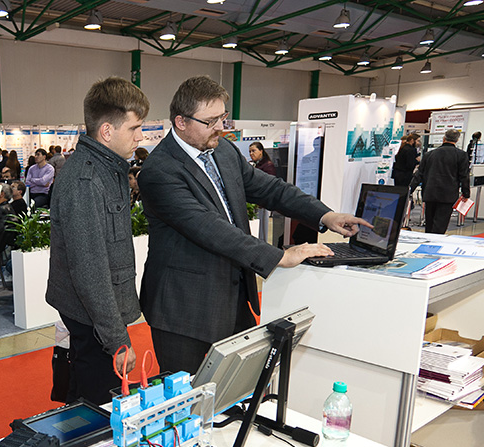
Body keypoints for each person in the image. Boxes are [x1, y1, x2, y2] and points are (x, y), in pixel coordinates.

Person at [138, 76, 370, 375]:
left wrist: (325, 216)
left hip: (233, 297)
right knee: (190, 396)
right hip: (183, 308)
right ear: (181, 122)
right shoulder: (159, 170)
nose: (220, 128)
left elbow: (271, 189)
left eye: (222, 118)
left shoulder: (223, 151)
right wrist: (279, 256)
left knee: (237, 389)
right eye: (210, 121)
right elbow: (207, 227)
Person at [46, 77, 150, 405]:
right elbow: (89, 269)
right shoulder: (86, 180)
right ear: (107, 131)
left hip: (95, 316)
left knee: (83, 399)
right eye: (134, 128)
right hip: (92, 318)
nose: (140, 136)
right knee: (100, 407)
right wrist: (117, 341)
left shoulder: (107, 170)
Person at [410, 129, 470, 234]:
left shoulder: (429, 154)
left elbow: (419, 174)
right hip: (448, 194)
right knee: (440, 225)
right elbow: (464, 176)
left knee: (429, 224)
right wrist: (466, 193)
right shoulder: (461, 155)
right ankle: (435, 242)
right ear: (457, 140)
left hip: (430, 192)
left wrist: (410, 189)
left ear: (444, 138)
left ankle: (428, 241)